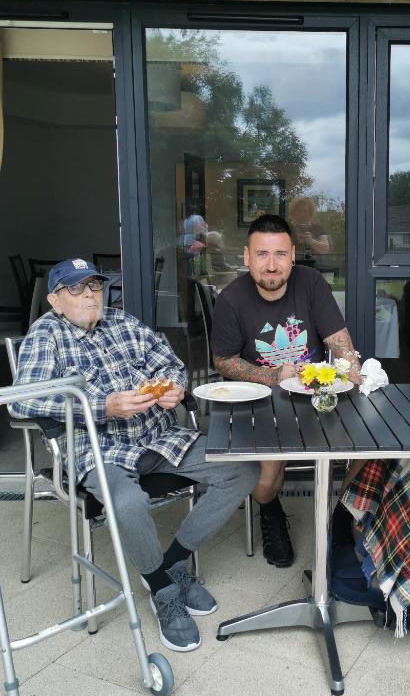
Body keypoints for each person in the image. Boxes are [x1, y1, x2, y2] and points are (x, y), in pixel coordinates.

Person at [9, 258, 259, 653]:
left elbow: (169, 364)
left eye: (94, 284)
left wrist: (174, 388)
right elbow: (23, 402)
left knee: (242, 470)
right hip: (99, 449)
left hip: (158, 437)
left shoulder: (124, 322)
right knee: (127, 503)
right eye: (77, 288)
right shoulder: (47, 334)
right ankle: (162, 589)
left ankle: (172, 562)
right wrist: (102, 405)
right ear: (56, 300)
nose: (91, 294)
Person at [211, 214, 361, 568]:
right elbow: (224, 361)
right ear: (247, 257)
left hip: (315, 394)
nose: (272, 265)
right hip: (263, 399)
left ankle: (341, 514)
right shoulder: (231, 299)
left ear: (293, 255)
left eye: (280, 254)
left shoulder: (310, 283)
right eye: (262, 254)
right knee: (265, 481)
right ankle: (271, 510)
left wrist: (349, 367)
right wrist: (272, 375)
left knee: (367, 445)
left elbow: (339, 341)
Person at [288, 196, 332, 265]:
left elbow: (325, 249)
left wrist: (311, 241)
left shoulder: (317, 228)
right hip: (291, 268)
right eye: (299, 211)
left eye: (305, 211)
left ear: (311, 213)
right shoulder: (287, 228)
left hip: (314, 268)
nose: (302, 214)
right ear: (293, 212)